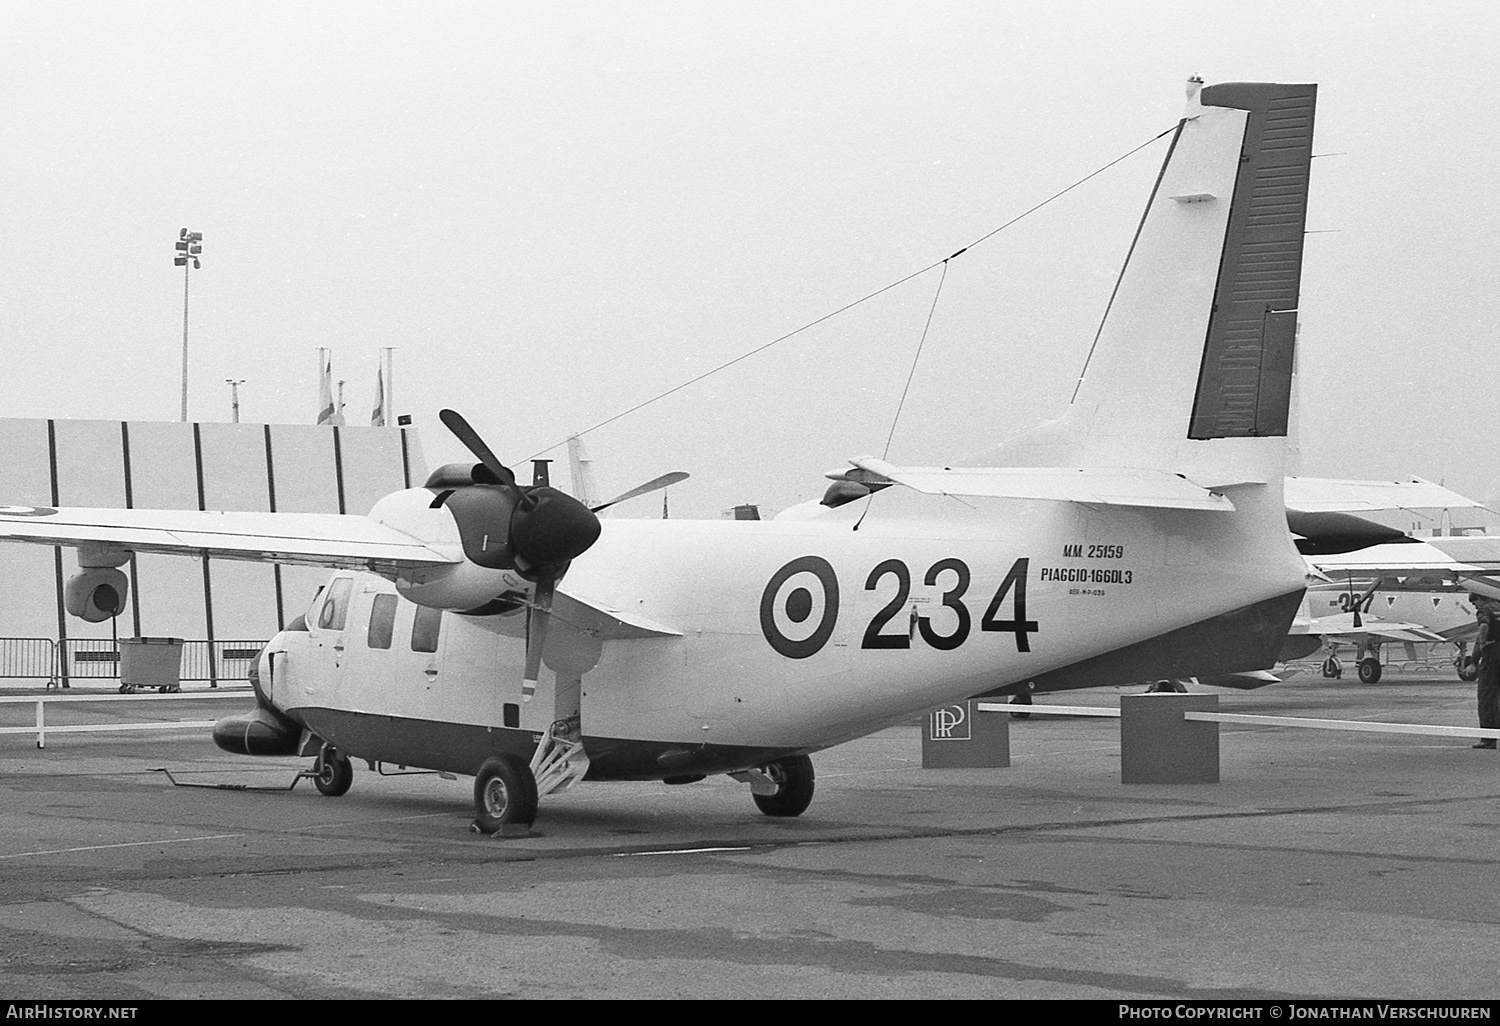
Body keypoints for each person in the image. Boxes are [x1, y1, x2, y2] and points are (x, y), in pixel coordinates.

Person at [1468, 594, 1500, 749]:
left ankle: (1489, 738)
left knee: (1486, 697)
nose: (1475, 607)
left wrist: (1482, 644)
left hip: (1492, 655)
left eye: (1475, 604)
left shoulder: (1484, 610)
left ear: (1480, 599)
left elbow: (1484, 626)